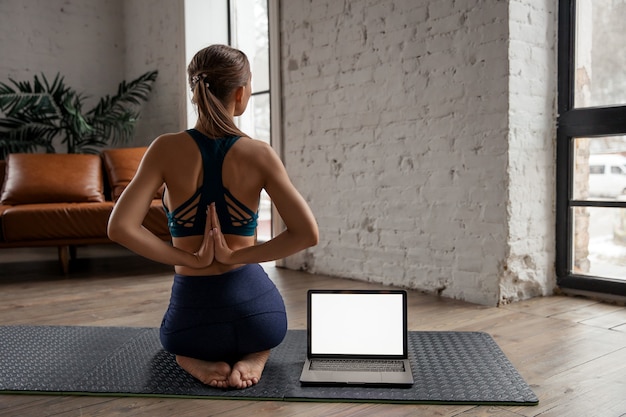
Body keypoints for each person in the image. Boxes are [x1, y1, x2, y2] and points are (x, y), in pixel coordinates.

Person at [107, 44, 319, 390]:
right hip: (261, 320)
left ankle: (194, 359)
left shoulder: (164, 149)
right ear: (240, 92)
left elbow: (120, 227)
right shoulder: (259, 153)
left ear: (195, 92)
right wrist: (237, 255)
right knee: (261, 330)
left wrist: (187, 256)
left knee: (174, 342)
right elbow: (306, 233)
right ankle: (256, 353)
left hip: (192, 328)